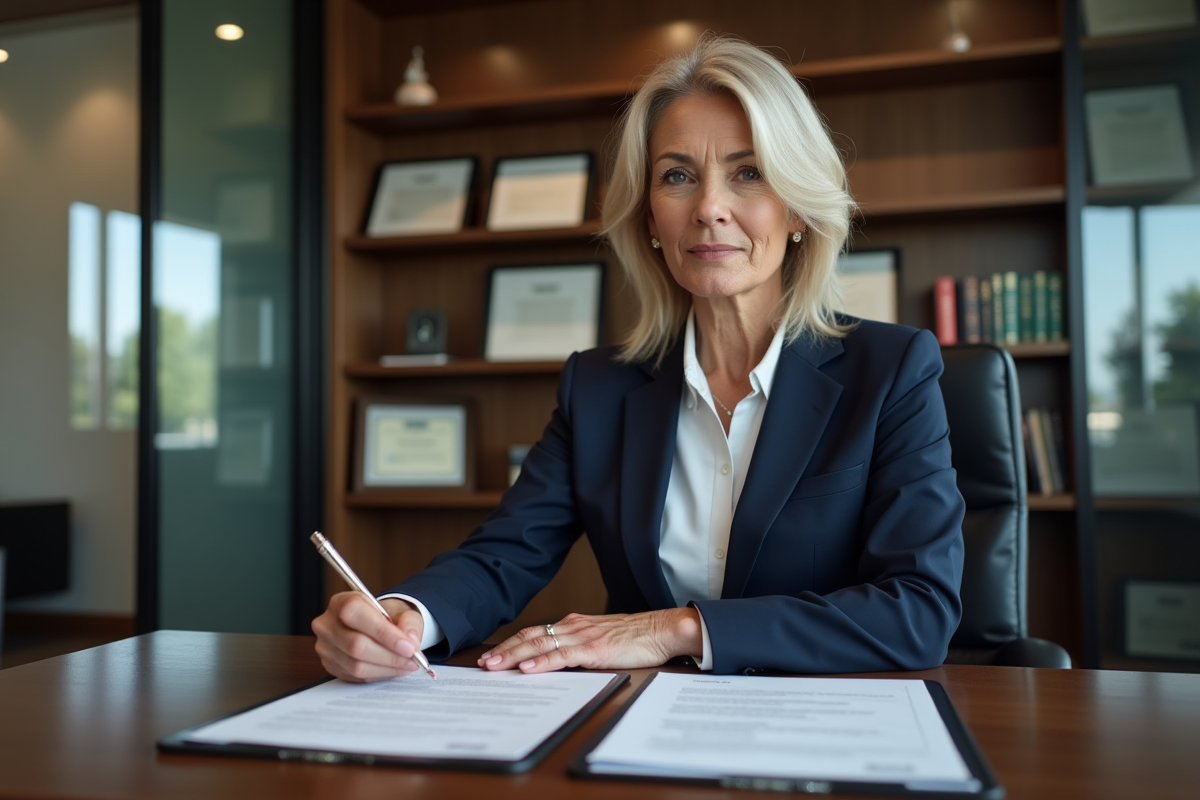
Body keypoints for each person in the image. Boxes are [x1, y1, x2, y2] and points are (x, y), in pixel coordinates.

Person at [313, 35, 964, 681]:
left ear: (795, 207)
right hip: (638, 729)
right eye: (677, 176)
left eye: (748, 172)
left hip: (820, 735)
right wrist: (404, 618)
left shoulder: (894, 369)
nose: (709, 208)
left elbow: (918, 610)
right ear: (650, 220)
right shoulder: (597, 386)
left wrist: (676, 627)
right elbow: (504, 555)